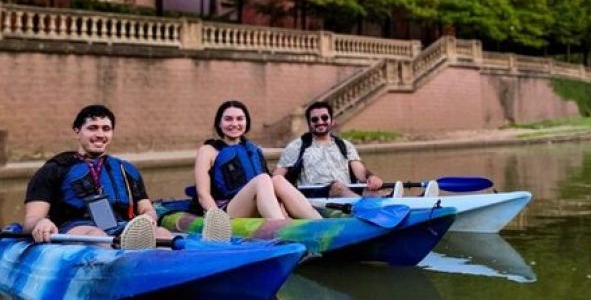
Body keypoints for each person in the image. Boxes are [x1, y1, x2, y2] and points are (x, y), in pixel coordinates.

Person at [22, 104, 227, 250]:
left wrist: (148, 217)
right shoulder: (55, 168)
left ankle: (178, 266)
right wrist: (41, 224)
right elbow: (32, 219)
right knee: (98, 237)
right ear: (77, 131)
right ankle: (119, 266)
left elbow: (145, 206)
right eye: (92, 128)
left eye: (106, 129)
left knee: (163, 235)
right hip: (77, 227)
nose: (100, 134)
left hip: (123, 227)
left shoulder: (125, 169)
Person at [193, 99, 321, 220]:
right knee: (263, 179)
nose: (234, 124)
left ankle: (318, 220)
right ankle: (281, 226)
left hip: (256, 204)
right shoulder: (208, 151)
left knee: (277, 180)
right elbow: (203, 195)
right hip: (227, 210)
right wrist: (218, 221)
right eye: (228, 119)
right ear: (219, 123)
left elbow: (270, 189)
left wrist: (282, 206)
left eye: (240, 119)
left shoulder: (253, 149)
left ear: (246, 122)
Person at [274, 101, 398, 198]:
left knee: (370, 191)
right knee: (337, 187)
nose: (320, 122)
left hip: (347, 193)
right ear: (309, 123)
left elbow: (360, 171)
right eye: (314, 119)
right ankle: (365, 208)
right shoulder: (296, 147)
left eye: (324, 118)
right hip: (314, 197)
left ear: (332, 121)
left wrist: (371, 178)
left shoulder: (345, 145)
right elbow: (277, 178)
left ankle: (387, 205)